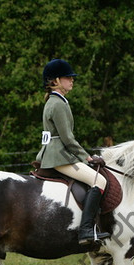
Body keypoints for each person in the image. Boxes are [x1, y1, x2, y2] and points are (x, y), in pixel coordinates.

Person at [36, 58, 110, 245]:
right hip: (59, 156)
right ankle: (85, 230)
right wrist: (87, 156)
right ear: (56, 81)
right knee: (99, 180)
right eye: (68, 77)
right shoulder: (58, 104)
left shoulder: (55, 101)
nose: (72, 80)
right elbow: (67, 138)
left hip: (55, 153)